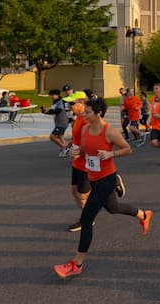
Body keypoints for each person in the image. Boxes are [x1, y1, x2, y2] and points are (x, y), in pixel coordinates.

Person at [53, 98, 152, 279]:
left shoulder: (110, 132)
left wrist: (110, 153)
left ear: (98, 114)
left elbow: (127, 149)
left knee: (86, 219)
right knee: (113, 208)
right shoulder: (85, 129)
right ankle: (143, 215)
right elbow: (85, 148)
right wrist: (77, 152)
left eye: (88, 112)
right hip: (93, 176)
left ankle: (77, 263)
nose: (84, 114)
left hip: (106, 179)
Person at [61, 91, 94, 232]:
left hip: (86, 165)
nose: (69, 106)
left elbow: (92, 145)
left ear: (82, 104)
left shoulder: (87, 121)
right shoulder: (78, 119)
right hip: (77, 164)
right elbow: (78, 138)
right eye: (69, 103)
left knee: (82, 195)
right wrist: (70, 144)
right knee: (74, 191)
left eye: (72, 103)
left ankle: (86, 220)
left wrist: (78, 152)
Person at [41, 89, 69, 157]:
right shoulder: (55, 102)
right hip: (58, 123)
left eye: (52, 95)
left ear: (57, 95)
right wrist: (45, 111)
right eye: (50, 95)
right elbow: (52, 110)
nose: (51, 96)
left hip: (62, 123)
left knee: (52, 137)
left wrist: (48, 112)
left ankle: (64, 148)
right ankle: (65, 148)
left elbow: (58, 110)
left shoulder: (60, 102)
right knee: (60, 137)